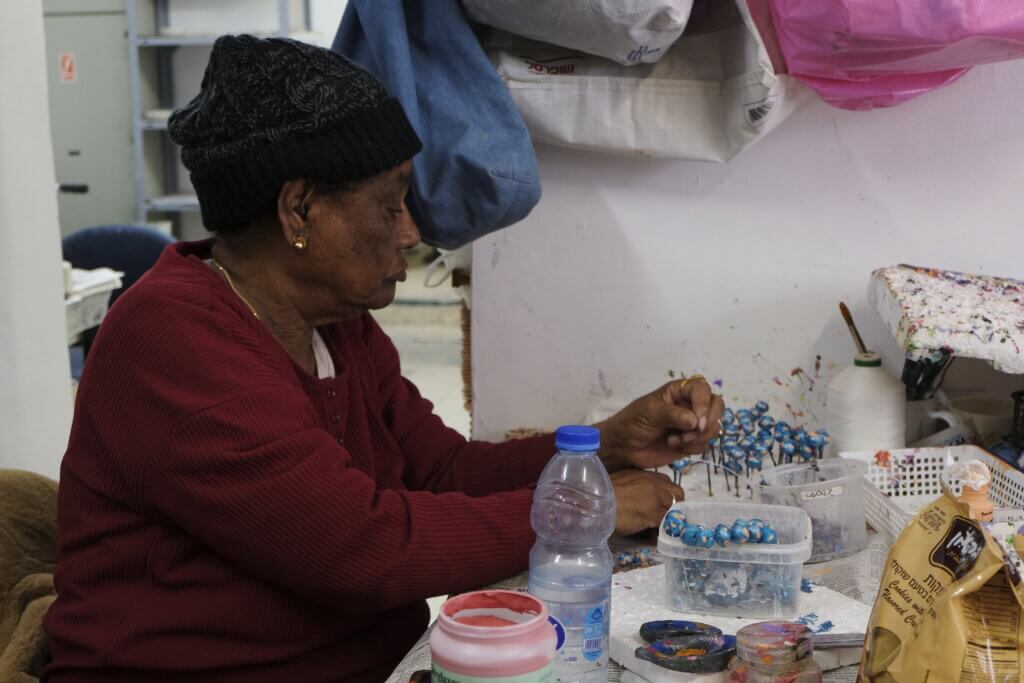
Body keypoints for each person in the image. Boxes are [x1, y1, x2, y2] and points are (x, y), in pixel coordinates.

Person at [42, 36, 723, 682]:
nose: (411, 231)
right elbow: (361, 548)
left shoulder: (337, 325)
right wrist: (580, 509)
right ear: (299, 210)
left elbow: (444, 473)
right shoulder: (171, 341)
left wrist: (606, 444)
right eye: (389, 203)